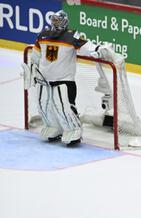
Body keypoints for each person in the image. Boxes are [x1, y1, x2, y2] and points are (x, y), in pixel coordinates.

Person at [23, 10, 110, 146]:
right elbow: (35, 55)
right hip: (45, 79)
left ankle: (74, 130)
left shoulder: (71, 36)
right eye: (54, 20)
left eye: (57, 21)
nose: (55, 23)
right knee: (43, 105)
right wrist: (32, 68)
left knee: (64, 106)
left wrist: (98, 49)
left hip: (64, 79)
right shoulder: (43, 35)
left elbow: (86, 46)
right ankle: (53, 126)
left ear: (64, 21)